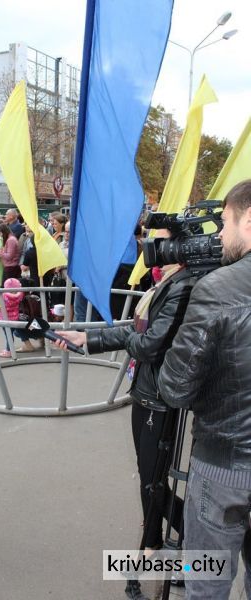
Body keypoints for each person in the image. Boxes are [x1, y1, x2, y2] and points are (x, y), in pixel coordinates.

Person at [53, 237, 198, 600]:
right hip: (149, 392)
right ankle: (165, 546)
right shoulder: (167, 282)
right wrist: (87, 338)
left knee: (152, 483)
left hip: (159, 399)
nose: (152, 251)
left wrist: (95, 340)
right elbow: (139, 333)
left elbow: (149, 343)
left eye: (161, 245)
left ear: (182, 249)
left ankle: (181, 549)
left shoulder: (184, 285)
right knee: (150, 479)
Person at [158, 179, 251, 599]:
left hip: (222, 469)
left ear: (248, 220)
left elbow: (175, 389)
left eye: (226, 223)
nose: (222, 236)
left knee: (206, 582)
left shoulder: (217, 289)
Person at [0, 277, 35, 357]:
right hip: (15, 318)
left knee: (8, 335)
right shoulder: (20, 295)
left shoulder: (4, 296)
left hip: (5, 319)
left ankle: (9, 351)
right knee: (15, 333)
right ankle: (25, 346)